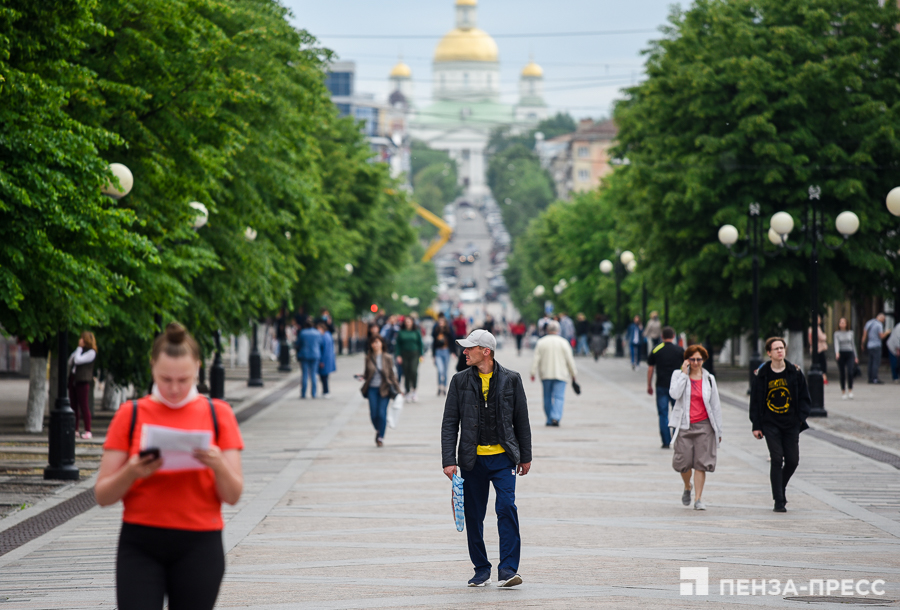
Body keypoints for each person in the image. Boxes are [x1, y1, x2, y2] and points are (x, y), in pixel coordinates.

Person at [95, 322, 243, 610]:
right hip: (141, 542)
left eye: (183, 380)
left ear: (198, 368)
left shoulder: (218, 414)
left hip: (200, 543)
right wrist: (132, 471)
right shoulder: (131, 414)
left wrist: (217, 465)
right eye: (165, 379)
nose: (174, 389)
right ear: (152, 367)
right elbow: (103, 495)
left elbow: (233, 494)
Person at [441, 330, 531, 588]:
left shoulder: (512, 380)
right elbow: (450, 423)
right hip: (472, 461)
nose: (464, 352)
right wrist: (449, 459)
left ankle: (508, 570)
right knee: (473, 515)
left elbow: (521, 420)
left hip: (503, 459)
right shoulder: (459, 381)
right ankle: (481, 569)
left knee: (506, 508)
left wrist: (525, 456)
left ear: (486, 351)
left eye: (470, 348)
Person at [750, 337, 811, 513]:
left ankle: (780, 488)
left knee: (792, 461)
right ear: (769, 353)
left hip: (791, 423)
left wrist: (800, 418)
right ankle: (779, 500)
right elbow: (755, 401)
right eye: (776, 349)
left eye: (782, 348)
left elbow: (805, 398)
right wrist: (756, 425)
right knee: (776, 458)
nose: (779, 351)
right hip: (770, 423)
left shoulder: (794, 372)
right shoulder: (762, 375)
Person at [668, 344, 722, 511]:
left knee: (701, 463)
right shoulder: (678, 375)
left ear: (704, 360)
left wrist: (718, 430)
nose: (696, 362)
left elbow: (715, 405)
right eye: (693, 359)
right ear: (687, 360)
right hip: (684, 425)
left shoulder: (709, 379)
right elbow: (674, 394)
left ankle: (698, 499)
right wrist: (684, 374)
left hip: (705, 426)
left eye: (699, 359)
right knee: (682, 463)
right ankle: (687, 486)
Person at [530, 320, 577, 427]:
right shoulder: (564, 342)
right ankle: (556, 416)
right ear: (558, 330)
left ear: (547, 330)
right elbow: (570, 360)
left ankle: (549, 418)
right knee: (559, 396)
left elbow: (536, 359)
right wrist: (573, 374)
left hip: (546, 374)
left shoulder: (541, 342)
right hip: (561, 374)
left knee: (547, 397)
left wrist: (533, 372)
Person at [360, 335, 401, 447]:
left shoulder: (387, 357)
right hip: (372, 389)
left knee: (382, 414)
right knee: (374, 414)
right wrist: (362, 376)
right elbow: (367, 373)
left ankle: (380, 437)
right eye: (373, 342)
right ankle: (379, 429)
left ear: (382, 344)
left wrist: (398, 390)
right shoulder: (368, 357)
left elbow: (392, 375)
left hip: (385, 388)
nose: (375, 344)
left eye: (377, 342)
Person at [646, 327, 683, 449]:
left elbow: (651, 368)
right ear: (673, 336)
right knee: (677, 412)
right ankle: (677, 438)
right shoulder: (679, 350)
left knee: (663, 413)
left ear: (662, 336)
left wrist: (649, 384)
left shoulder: (657, 349)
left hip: (661, 385)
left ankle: (666, 441)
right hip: (676, 386)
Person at [68, 331, 97, 439]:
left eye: (82, 338)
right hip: (74, 379)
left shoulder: (91, 352)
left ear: (86, 340)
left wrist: (79, 349)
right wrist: (77, 350)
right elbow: (70, 361)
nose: (79, 340)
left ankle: (88, 430)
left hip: (83, 381)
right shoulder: (80, 350)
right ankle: (75, 429)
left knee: (83, 406)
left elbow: (78, 360)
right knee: (73, 405)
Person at [396, 316, 424, 401]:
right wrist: (398, 355)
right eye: (406, 321)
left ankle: (414, 390)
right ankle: (407, 391)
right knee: (406, 372)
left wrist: (421, 354)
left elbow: (420, 343)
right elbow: (398, 345)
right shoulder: (401, 332)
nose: (408, 323)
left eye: (409, 321)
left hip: (414, 354)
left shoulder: (416, 331)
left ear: (412, 322)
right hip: (404, 354)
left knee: (413, 371)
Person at [296, 320, 323, 398]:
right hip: (315, 355)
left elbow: (298, 344)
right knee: (314, 374)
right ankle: (314, 394)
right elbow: (320, 343)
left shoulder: (302, 332)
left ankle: (303, 393)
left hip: (304, 355)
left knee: (304, 374)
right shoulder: (317, 333)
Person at [833, 317, 858, 399]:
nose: (842, 324)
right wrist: (837, 353)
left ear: (847, 324)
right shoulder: (836, 333)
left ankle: (850, 390)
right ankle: (843, 391)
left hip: (850, 353)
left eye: (844, 322)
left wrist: (855, 356)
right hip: (841, 354)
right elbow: (836, 343)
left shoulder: (850, 333)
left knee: (850, 372)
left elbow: (853, 344)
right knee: (842, 373)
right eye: (841, 322)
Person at [861, 313, 888, 384]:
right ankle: (875, 378)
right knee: (876, 362)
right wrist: (887, 333)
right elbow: (881, 336)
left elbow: (864, 335)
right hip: (876, 345)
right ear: (881, 318)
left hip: (869, 345)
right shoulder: (879, 325)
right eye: (883, 319)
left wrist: (862, 344)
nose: (883, 321)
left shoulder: (869, 323)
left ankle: (870, 378)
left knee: (870, 362)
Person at [432, 316, 453, 395]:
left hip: (446, 351)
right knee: (440, 370)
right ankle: (439, 386)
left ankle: (444, 387)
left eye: (442, 322)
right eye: (439, 322)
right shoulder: (436, 331)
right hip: (438, 351)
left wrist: (453, 352)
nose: (440, 323)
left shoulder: (448, 331)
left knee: (445, 371)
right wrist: (433, 355)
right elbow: (434, 344)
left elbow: (452, 340)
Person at [317, 320, 336, 399]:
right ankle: (325, 391)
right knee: (324, 376)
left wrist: (321, 361)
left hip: (325, 360)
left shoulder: (325, 336)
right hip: (327, 359)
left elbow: (324, 350)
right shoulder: (327, 335)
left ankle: (326, 391)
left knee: (324, 376)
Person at [808, 315, 829, 385]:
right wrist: (825, 336)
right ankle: (823, 378)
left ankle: (822, 378)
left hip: (814, 349)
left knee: (817, 363)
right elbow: (822, 337)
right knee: (822, 364)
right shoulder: (817, 328)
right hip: (819, 348)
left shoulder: (810, 329)